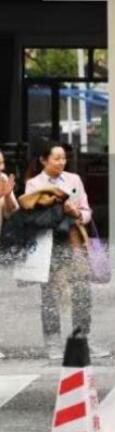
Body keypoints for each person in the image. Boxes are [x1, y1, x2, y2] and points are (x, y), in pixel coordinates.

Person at [26, 143, 108, 359]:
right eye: (57, 158)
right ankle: (52, 341)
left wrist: (79, 215)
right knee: (50, 294)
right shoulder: (34, 184)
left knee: (82, 291)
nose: (62, 162)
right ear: (44, 160)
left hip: (74, 242)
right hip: (49, 245)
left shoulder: (74, 180)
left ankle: (82, 337)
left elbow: (86, 210)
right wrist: (59, 210)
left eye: (64, 158)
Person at [0, 152, 18, 360]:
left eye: (2, 163)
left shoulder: (3, 180)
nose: (1, 167)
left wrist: (6, 195)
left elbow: (13, 211)